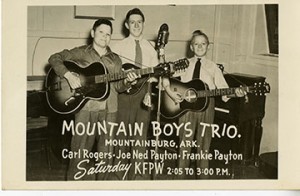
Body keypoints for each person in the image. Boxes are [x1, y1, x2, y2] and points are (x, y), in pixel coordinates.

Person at [48, 19, 138, 180]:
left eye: (108, 34)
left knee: (106, 155)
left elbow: (118, 87)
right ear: (92, 33)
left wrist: (127, 81)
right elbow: (54, 58)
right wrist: (68, 75)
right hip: (85, 109)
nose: (105, 36)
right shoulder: (81, 52)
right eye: (101, 32)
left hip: (110, 110)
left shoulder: (115, 59)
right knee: (79, 152)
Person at [162, 30, 246, 179]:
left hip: (207, 108)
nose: (200, 46)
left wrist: (236, 93)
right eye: (196, 44)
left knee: (203, 148)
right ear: (191, 47)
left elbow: (224, 90)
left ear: (208, 47)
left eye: (203, 43)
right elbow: (165, 77)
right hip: (185, 109)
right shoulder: (184, 64)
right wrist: (169, 91)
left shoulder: (214, 67)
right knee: (184, 147)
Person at [110, 8, 159, 180]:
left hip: (143, 96)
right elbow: (113, 76)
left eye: (139, 22)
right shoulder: (116, 47)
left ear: (143, 24)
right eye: (132, 22)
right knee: (121, 134)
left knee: (140, 134)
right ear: (126, 25)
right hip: (124, 95)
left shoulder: (151, 48)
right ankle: (118, 173)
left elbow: (155, 76)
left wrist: (150, 89)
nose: (136, 25)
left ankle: (137, 175)